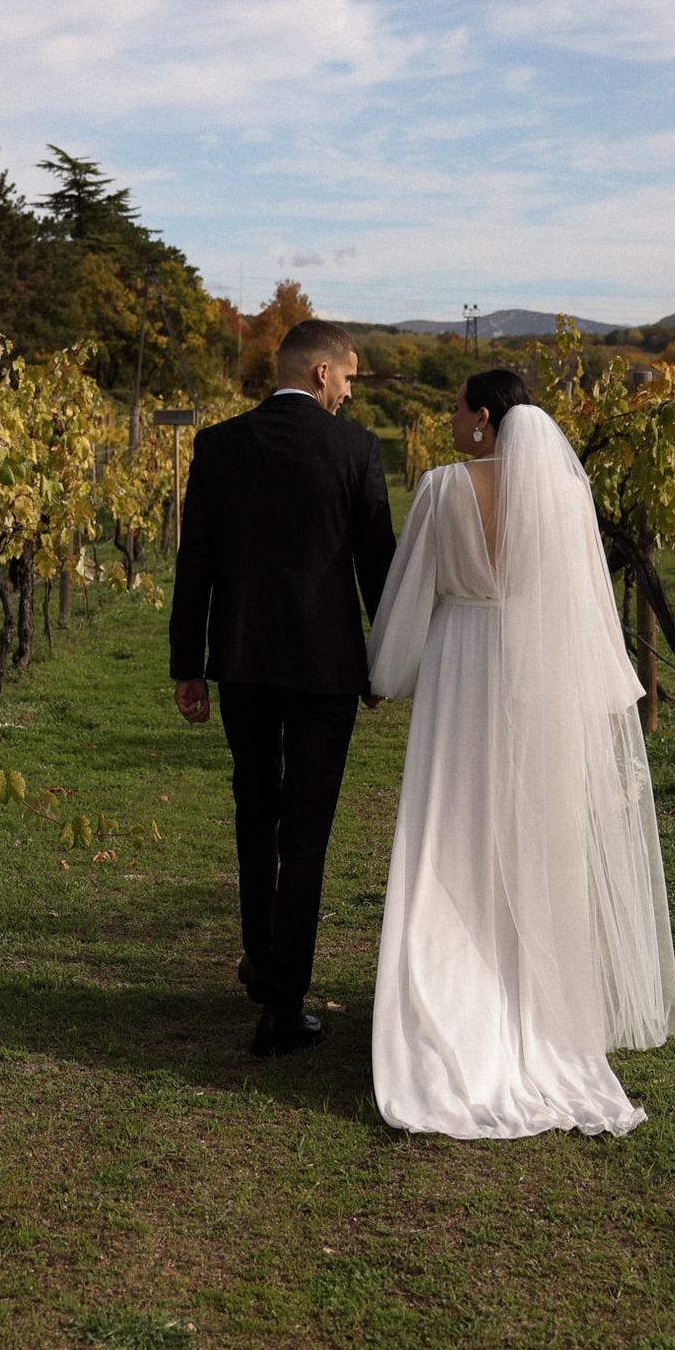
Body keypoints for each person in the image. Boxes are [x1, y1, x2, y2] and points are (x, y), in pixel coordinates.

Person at [364, 368, 675, 1138]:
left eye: (455, 407)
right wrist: (605, 697)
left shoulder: (442, 488)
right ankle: (536, 1012)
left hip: (461, 669)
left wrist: (385, 673)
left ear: (481, 418)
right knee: (534, 838)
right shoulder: (566, 494)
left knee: (454, 831)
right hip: (539, 672)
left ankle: (452, 1006)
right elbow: (588, 604)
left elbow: (410, 592)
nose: (449, 419)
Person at [171, 319, 398, 1057]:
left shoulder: (218, 445)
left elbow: (195, 562)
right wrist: (384, 662)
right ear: (322, 373)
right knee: (306, 832)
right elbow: (378, 569)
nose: (351, 391)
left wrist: (188, 664)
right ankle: (282, 1003)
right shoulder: (356, 449)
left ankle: (261, 959)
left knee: (255, 811)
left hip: (242, 662)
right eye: (350, 377)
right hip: (326, 671)